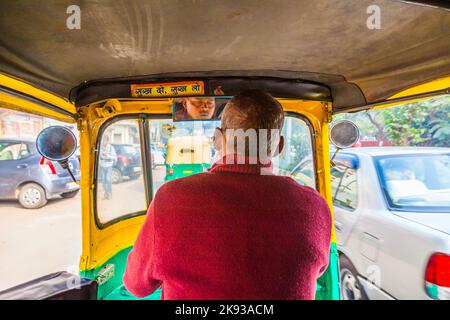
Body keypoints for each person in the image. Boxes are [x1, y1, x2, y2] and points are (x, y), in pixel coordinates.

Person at [123, 89, 332, 299]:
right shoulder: (315, 206)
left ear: (218, 139)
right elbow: (318, 269)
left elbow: (136, 286)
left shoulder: (171, 199)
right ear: (279, 146)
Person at [99, 133, 116, 200]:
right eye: (103, 140)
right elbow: (99, 157)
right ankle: (106, 194)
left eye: (105, 140)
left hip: (109, 165)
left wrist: (108, 156)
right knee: (103, 181)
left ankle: (109, 193)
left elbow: (114, 158)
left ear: (107, 141)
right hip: (102, 165)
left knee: (108, 179)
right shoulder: (100, 148)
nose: (104, 142)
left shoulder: (111, 148)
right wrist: (100, 163)